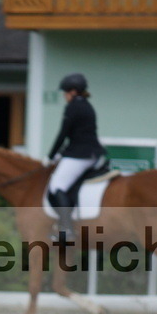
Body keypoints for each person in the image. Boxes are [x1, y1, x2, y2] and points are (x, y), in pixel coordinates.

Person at [45, 73, 106, 242]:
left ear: (73, 91)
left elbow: (63, 134)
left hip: (81, 155)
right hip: (90, 153)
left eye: (65, 92)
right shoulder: (87, 105)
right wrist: (62, 153)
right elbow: (77, 134)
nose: (64, 96)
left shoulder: (73, 107)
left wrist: (50, 156)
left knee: (57, 186)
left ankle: (66, 229)